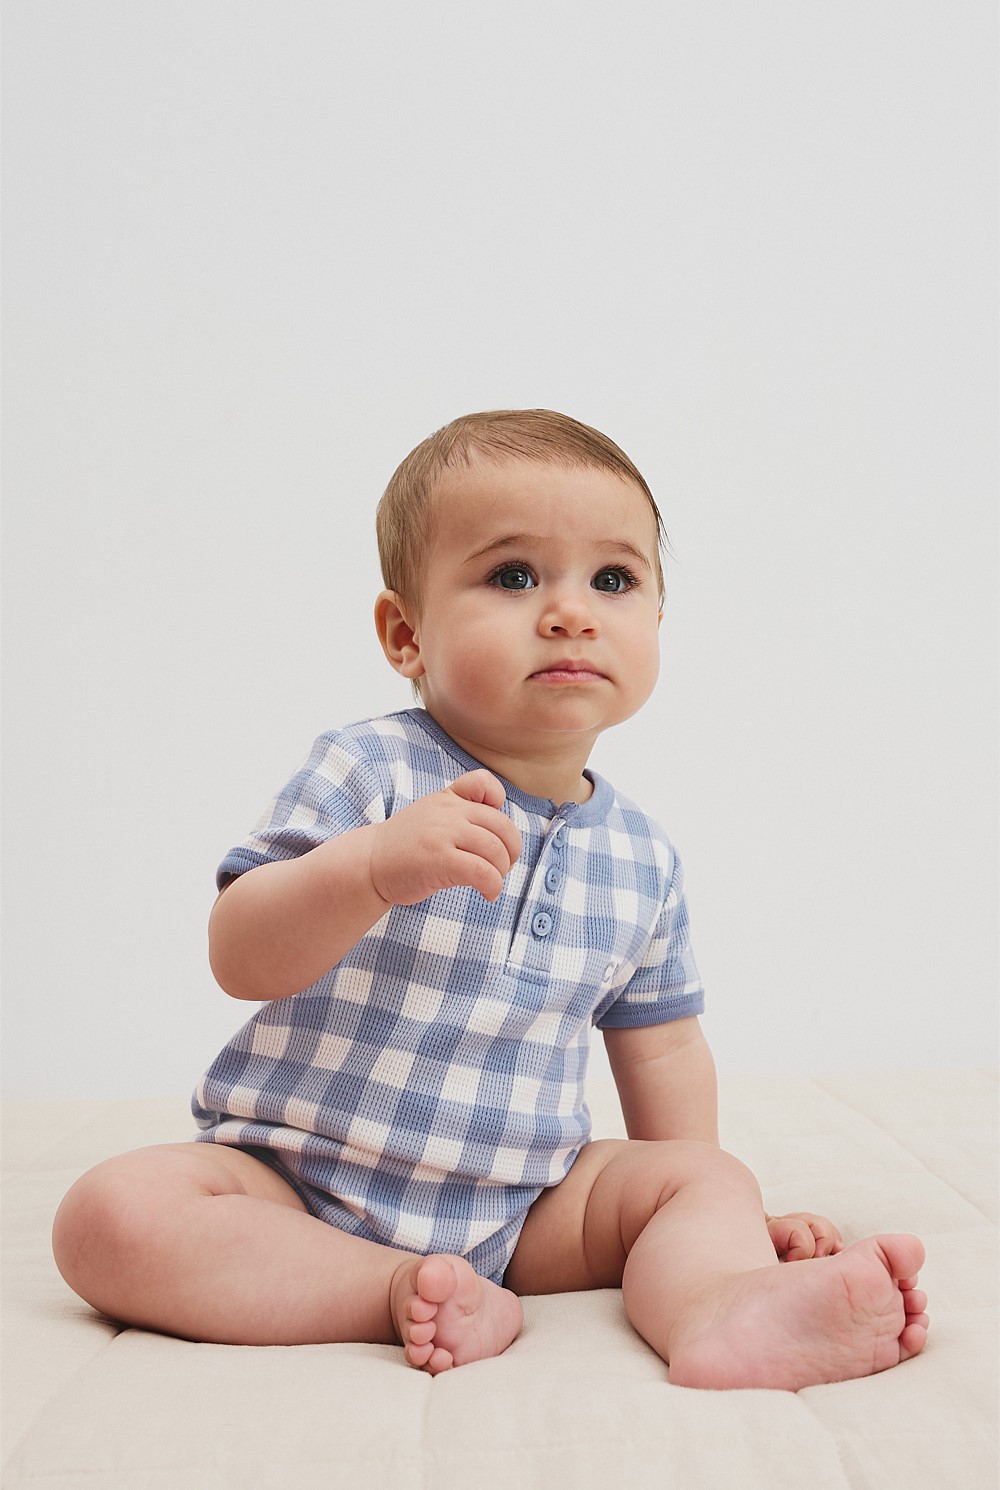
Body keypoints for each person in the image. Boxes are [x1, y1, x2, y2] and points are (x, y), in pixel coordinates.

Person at [52, 409, 929, 1389]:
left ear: (656, 622)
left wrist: (709, 1223)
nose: (569, 611)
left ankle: (720, 1303)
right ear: (405, 633)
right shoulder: (371, 769)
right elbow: (239, 951)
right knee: (110, 1213)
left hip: (528, 1206)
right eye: (513, 575)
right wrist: (372, 865)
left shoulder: (641, 856)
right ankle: (387, 1287)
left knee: (705, 1176)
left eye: (613, 578)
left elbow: (666, 1048)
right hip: (293, 1181)